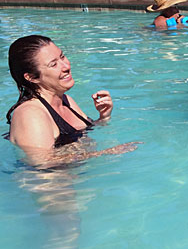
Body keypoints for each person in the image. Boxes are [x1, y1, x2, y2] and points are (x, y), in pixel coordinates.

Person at [6, 35, 139, 167]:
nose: (66, 66)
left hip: (75, 176)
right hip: (48, 185)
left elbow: (82, 137)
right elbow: (41, 162)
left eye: (62, 56)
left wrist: (103, 117)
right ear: (32, 78)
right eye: (54, 64)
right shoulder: (30, 113)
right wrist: (106, 153)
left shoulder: (66, 100)